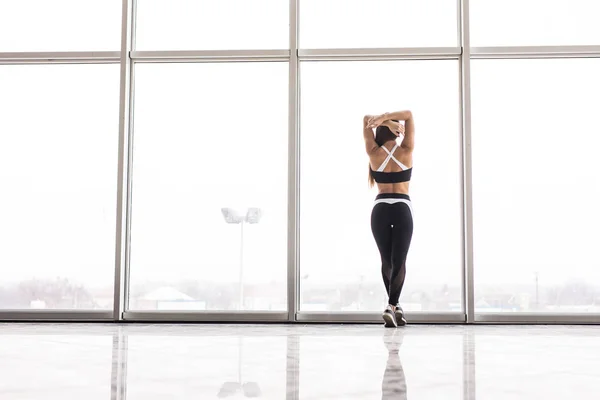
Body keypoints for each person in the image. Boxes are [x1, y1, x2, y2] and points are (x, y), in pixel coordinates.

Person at [363, 111, 415, 328]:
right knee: (400, 261)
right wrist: (388, 118)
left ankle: (394, 306)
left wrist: (383, 121)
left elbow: (365, 118)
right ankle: (392, 305)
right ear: (395, 131)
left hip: (380, 208)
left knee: (387, 261)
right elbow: (409, 115)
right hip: (402, 206)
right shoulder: (406, 150)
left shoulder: (373, 152)